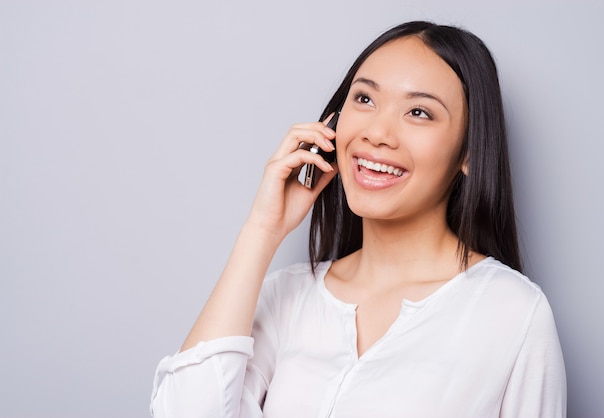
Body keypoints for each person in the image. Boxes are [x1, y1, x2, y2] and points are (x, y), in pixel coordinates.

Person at [150, 21, 566, 417]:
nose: (377, 132)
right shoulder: (287, 296)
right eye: (364, 99)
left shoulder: (511, 313)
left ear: (469, 154)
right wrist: (261, 231)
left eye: (419, 112)